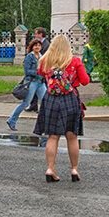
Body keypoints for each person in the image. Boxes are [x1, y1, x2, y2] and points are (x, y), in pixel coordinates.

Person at [34, 34, 90, 183]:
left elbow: (40, 73)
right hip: (70, 100)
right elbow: (85, 81)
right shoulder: (75, 61)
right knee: (72, 136)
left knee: (53, 136)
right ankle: (74, 169)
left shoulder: (45, 61)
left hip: (51, 99)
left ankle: (50, 168)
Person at [6, 38, 46, 131]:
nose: (37, 47)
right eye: (35, 45)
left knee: (45, 102)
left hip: (41, 82)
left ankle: (45, 125)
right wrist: (38, 72)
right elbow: (27, 71)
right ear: (32, 47)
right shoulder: (29, 57)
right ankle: (12, 120)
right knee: (26, 103)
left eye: (39, 45)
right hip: (31, 82)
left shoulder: (42, 56)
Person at [27, 27, 50, 111]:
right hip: (36, 69)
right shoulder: (40, 43)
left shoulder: (46, 44)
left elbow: (44, 57)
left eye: (36, 33)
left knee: (42, 89)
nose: (35, 35)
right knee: (34, 88)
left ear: (41, 34)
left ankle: (42, 108)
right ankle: (33, 105)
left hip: (42, 70)